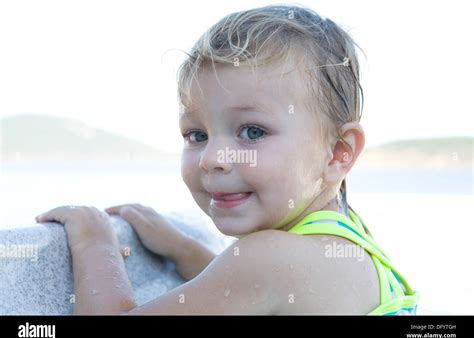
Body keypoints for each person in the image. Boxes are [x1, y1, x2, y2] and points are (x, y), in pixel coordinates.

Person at [35, 4, 419, 315]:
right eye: (196, 135)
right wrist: (183, 249)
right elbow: (248, 292)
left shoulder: (267, 259)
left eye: (252, 132)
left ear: (338, 152)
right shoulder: (347, 236)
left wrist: (95, 240)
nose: (213, 159)